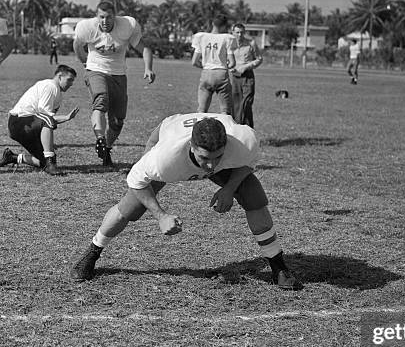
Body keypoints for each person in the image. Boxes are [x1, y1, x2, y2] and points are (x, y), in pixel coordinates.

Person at [69, 113, 303, 291]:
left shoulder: (244, 140)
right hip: (166, 131)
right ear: (191, 147)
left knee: (254, 197)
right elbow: (135, 181)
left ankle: (278, 266)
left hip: (215, 153)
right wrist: (161, 216)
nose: (210, 166)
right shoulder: (165, 158)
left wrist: (229, 188)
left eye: (217, 157)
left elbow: (248, 163)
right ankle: (92, 253)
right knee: (129, 209)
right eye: (204, 158)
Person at [73, 0, 155, 168]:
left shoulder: (127, 25)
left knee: (117, 121)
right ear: (97, 16)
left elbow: (144, 48)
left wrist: (148, 68)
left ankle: (107, 149)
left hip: (119, 74)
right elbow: (77, 46)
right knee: (100, 101)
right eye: (101, 17)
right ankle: (100, 140)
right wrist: (85, 63)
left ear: (115, 16)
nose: (105, 21)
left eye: (109, 17)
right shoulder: (87, 27)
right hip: (96, 70)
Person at [0, 65, 79, 174]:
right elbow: (46, 118)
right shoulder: (50, 86)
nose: (71, 84)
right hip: (19, 122)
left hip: (27, 125)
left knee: (44, 163)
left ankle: (12, 157)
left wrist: (66, 118)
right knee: (49, 159)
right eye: (69, 80)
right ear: (59, 76)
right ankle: (49, 160)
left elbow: (46, 120)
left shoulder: (57, 93)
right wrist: (64, 118)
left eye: (72, 81)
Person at [191, 15, 237, 116]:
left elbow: (194, 61)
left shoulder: (201, 37)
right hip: (221, 73)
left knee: (202, 110)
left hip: (206, 72)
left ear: (212, 23)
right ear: (225, 26)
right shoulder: (227, 38)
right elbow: (232, 62)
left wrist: (205, 67)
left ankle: (199, 130)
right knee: (225, 111)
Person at [229, 23, 263, 128]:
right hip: (233, 77)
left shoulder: (251, 44)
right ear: (233, 33)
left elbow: (259, 59)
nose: (240, 35)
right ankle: (236, 128)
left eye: (242, 32)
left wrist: (246, 66)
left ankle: (248, 129)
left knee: (246, 104)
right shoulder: (229, 45)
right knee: (235, 104)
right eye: (237, 32)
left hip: (247, 76)